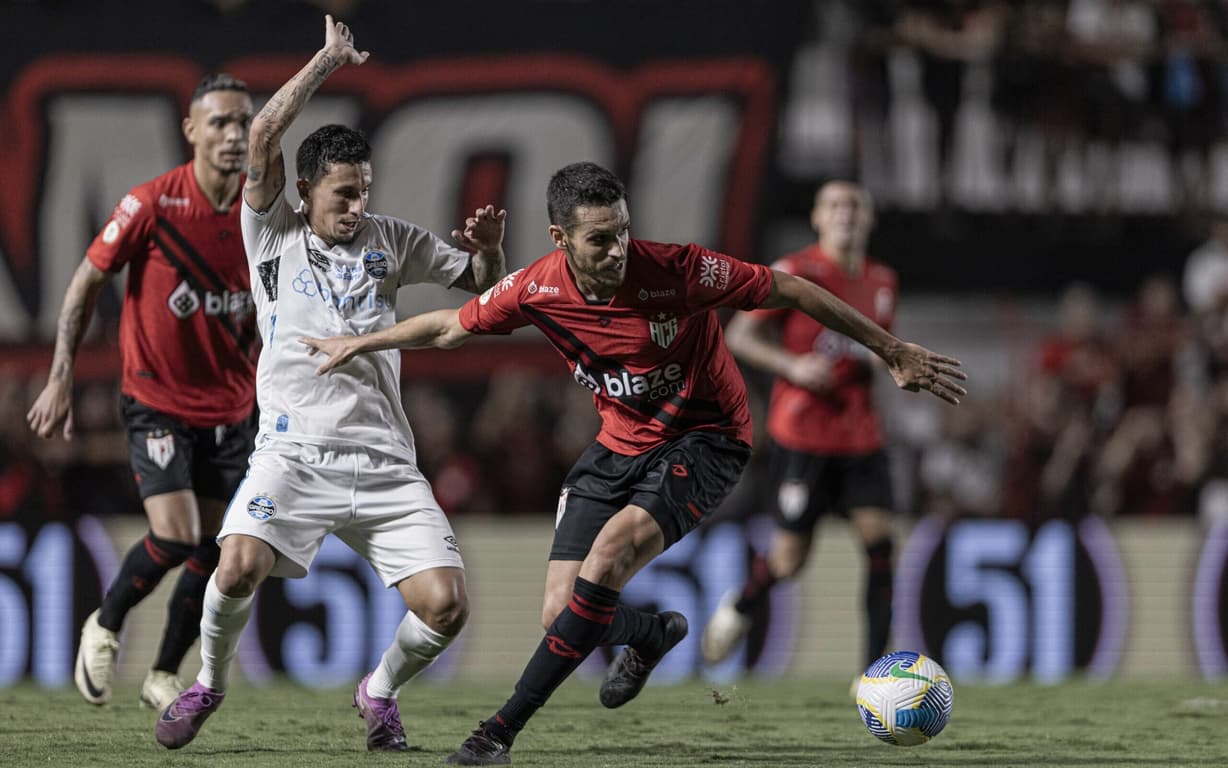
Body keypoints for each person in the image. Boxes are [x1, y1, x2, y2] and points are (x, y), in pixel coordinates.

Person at [302, 160, 966, 765]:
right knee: (561, 614)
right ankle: (651, 633)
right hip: (617, 447)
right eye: (599, 239)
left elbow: (789, 290)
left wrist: (891, 350)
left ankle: (496, 733)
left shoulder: (678, 271)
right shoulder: (537, 287)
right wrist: (361, 342)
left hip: (705, 439)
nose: (617, 249)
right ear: (561, 239)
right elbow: (450, 325)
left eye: (622, 231)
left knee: (610, 556)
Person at [153, 16, 506, 752]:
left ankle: (379, 693)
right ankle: (209, 682)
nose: (356, 207)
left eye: (363, 193)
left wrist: (491, 252)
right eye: (343, 195)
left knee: (446, 607)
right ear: (305, 188)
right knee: (238, 562)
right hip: (295, 454)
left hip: (384, 461)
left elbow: (481, 299)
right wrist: (325, 62)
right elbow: (261, 141)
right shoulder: (273, 236)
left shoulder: (393, 238)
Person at [26, 73, 258, 712]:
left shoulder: (260, 217)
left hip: (232, 409)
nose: (234, 135)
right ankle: (103, 623)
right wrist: (62, 374)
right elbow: (84, 285)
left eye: (243, 122)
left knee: (213, 551)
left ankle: (161, 674)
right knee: (177, 534)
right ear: (191, 130)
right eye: (220, 122)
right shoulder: (153, 204)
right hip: (157, 399)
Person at [699, 180, 899, 677]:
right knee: (789, 559)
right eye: (834, 206)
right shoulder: (796, 272)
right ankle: (743, 603)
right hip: (803, 435)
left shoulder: (883, 281)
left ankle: (874, 675)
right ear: (817, 217)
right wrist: (792, 367)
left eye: (854, 205)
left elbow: (878, 348)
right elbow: (740, 336)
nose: (844, 214)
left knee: (880, 541)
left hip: (860, 435)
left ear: (869, 218)